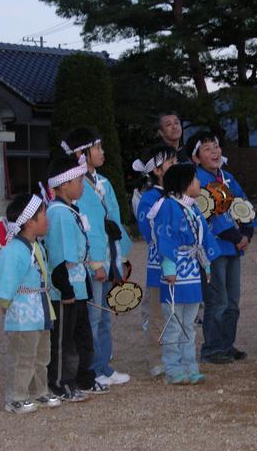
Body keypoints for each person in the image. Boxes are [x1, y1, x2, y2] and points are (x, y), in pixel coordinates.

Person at [62, 128, 133, 388]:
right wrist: (94, 262)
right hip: (93, 262)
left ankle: (103, 366)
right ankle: (89, 371)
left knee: (104, 316)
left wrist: (120, 258)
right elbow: (83, 227)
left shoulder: (103, 182)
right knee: (92, 318)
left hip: (109, 256)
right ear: (81, 153)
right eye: (98, 148)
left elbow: (114, 219)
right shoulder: (76, 187)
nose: (103, 152)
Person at [186, 131, 257, 364]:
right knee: (218, 300)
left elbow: (243, 204)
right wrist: (237, 235)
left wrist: (247, 232)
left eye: (215, 146)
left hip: (233, 246)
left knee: (233, 300)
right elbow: (208, 213)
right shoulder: (197, 179)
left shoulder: (227, 177)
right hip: (213, 248)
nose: (214, 151)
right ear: (196, 158)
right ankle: (212, 348)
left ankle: (226, 344)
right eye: (206, 148)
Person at [147, 163, 220, 384]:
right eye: (196, 179)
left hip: (191, 273)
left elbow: (204, 237)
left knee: (188, 324)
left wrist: (206, 265)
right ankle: (173, 368)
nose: (199, 183)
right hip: (175, 273)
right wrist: (169, 268)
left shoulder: (194, 208)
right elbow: (165, 237)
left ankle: (190, 366)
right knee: (173, 323)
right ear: (184, 183)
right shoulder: (169, 206)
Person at [0, 193, 62, 414]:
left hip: (41, 312)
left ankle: (39, 391)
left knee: (42, 356)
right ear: (30, 221)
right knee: (23, 357)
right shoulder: (14, 251)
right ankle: (16, 396)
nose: (47, 218)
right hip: (23, 316)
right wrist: (5, 303)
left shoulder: (37, 246)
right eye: (43, 214)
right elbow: (5, 281)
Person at [45, 155, 107, 401]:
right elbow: (60, 257)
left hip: (79, 284)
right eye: (78, 180)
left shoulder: (72, 210)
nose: (82, 185)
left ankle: (83, 377)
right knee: (64, 339)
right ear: (62, 185)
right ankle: (61, 382)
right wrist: (66, 288)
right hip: (65, 288)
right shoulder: (59, 213)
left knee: (82, 336)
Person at [133, 144, 178, 377]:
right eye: (171, 164)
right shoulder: (150, 197)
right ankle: (156, 358)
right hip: (158, 264)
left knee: (178, 312)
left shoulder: (179, 194)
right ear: (158, 170)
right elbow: (149, 230)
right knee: (158, 314)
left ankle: (176, 354)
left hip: (181, 264)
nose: (176, 167)